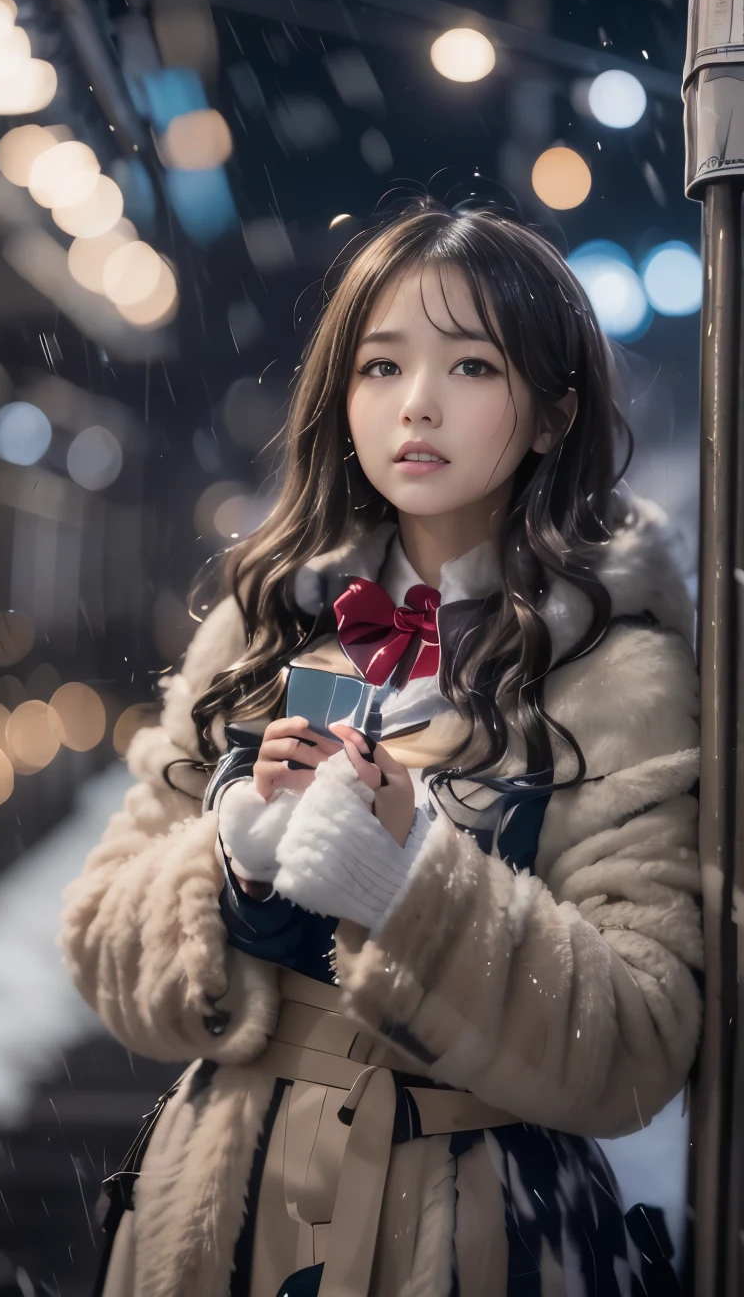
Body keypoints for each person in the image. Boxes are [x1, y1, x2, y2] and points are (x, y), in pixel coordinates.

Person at [61, 201, 702, 1297]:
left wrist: (409, 877)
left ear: (551, 415)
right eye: (378, 365)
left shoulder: (616, 671)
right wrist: (229, 859)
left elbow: (637, 1045)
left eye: (470, 367)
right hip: (213, 1211)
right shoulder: (259, 626)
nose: (414, 405)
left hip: (467, 1228)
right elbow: (104, 952)